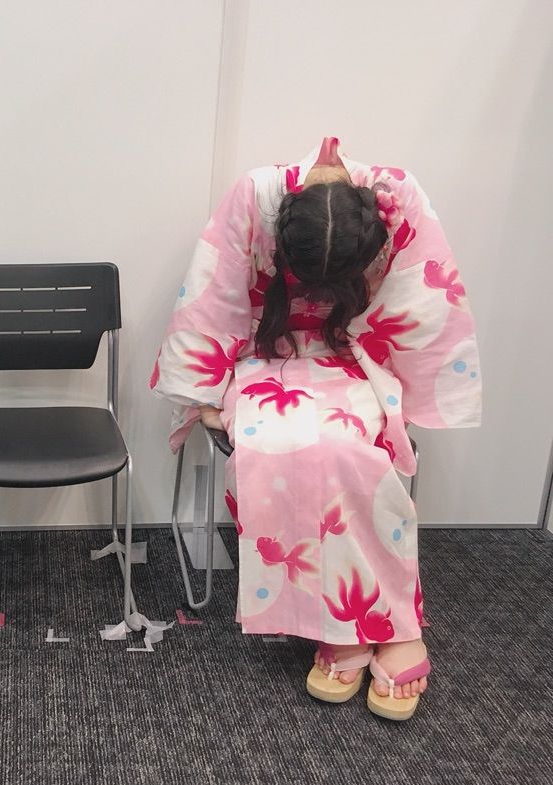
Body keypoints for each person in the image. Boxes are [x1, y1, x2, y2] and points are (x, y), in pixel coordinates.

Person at [151, 137, 481, 721]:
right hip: (267, 352)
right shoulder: (256, 194)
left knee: (353, 448)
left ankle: (380, 623)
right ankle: (349, 624)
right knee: (276, 446)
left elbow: (421, 301)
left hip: (354, 351)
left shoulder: (397, 195)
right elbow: (214, 296)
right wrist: (206, 391)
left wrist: (406, 389)